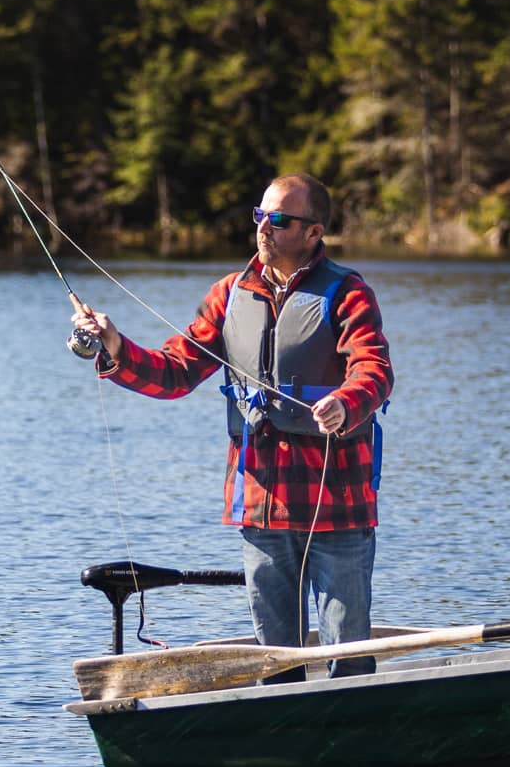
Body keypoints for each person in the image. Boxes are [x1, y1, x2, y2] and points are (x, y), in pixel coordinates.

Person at [71, 173, 394, 682]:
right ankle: (285, 737)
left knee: (348, 652)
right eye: (260, 216)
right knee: (274, 659)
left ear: (314, 232)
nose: (265, 227)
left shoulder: (349, 293)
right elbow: (175, 373)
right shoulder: (229, 294)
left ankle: (349, 740)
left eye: (280, 219)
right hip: (261, 501)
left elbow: (374, 371)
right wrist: (115, 346)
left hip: (338, 504)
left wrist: (345, 402)